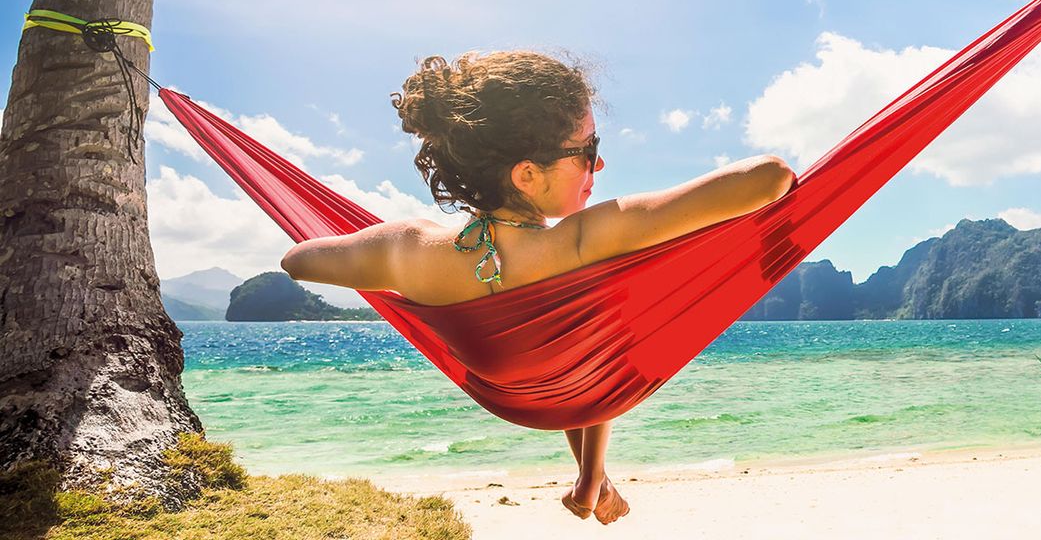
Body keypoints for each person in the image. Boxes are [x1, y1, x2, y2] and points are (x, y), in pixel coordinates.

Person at [280, 51, 794, 525]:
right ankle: (592, 475)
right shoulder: (581, 242)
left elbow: (298, 261)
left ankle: (594, 478)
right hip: (584, 383)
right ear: (527, 174)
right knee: (598, 309)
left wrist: (387, 245)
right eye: (587, 149)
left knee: (575, 315)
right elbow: (770, 177)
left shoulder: (407, 248)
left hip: (511, 394)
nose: (599, 164)